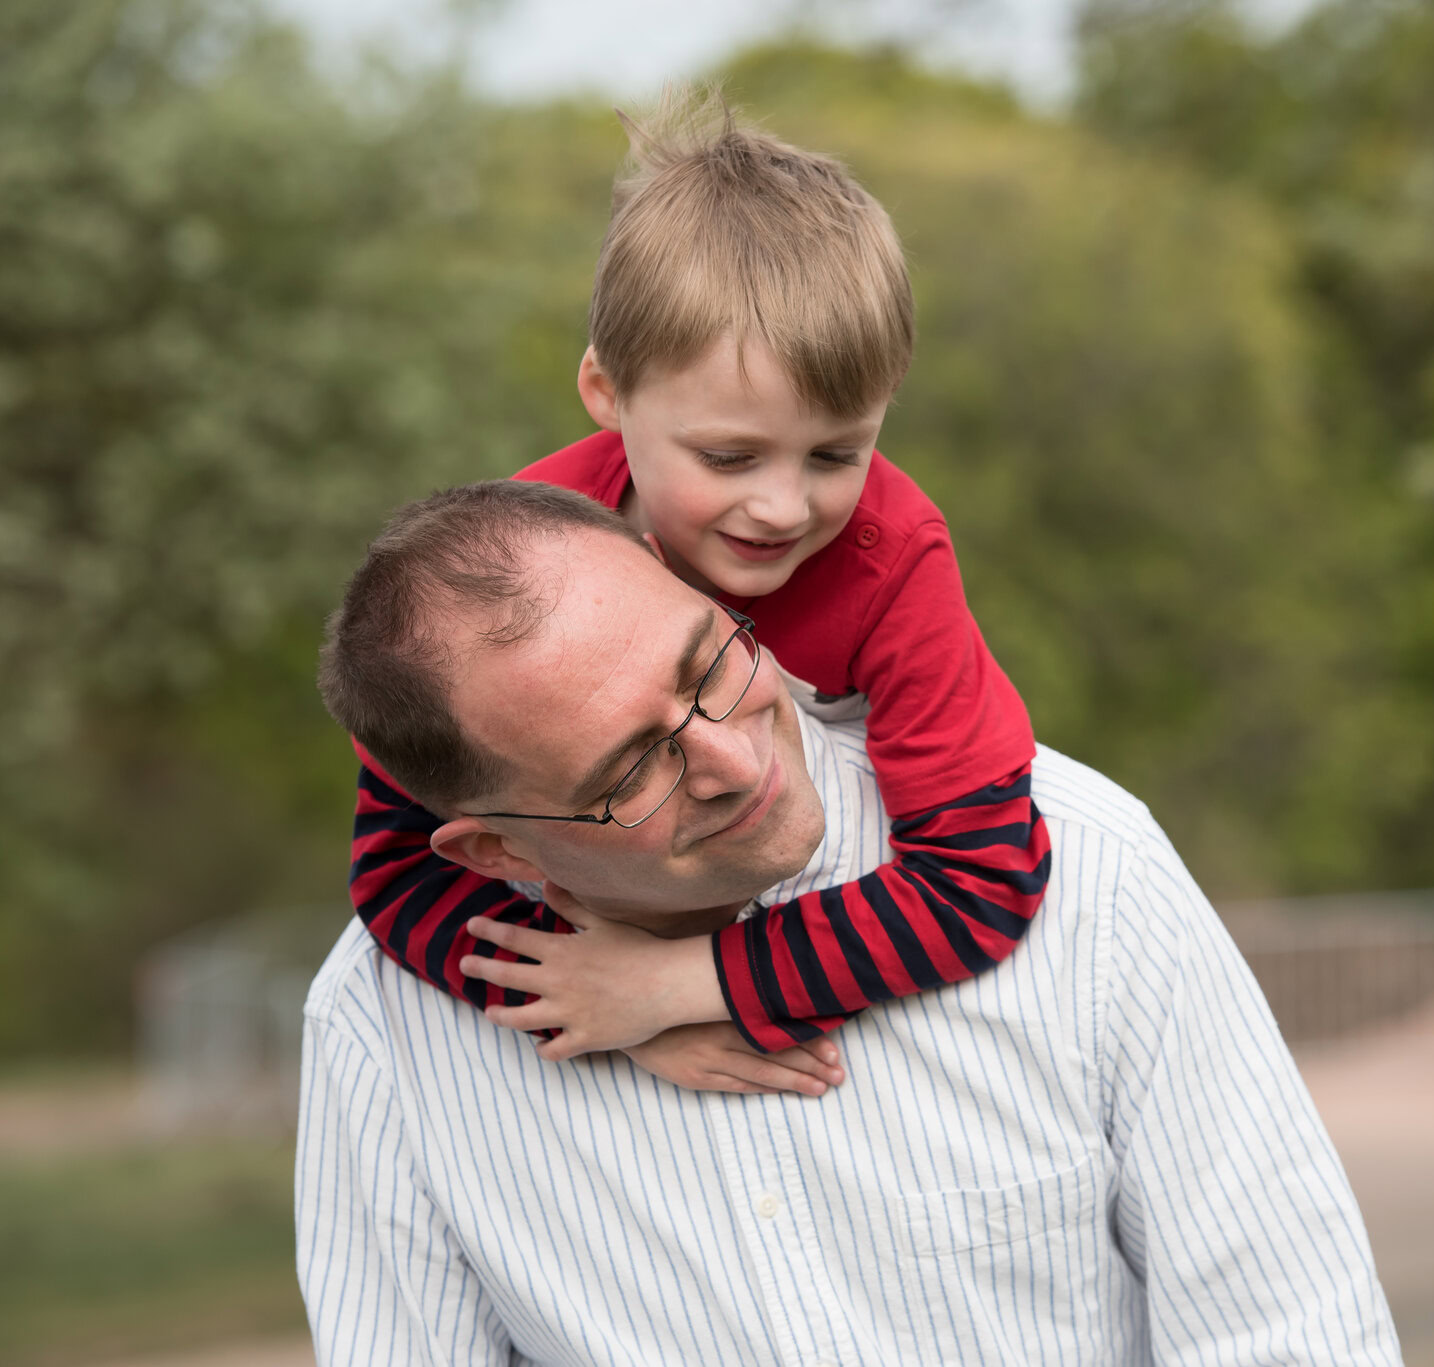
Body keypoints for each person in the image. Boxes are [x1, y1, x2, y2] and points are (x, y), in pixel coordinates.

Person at [301, 481, 1404, 1366]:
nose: (733, 759)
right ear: (498, 852)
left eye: (710, 664)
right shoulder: (382, 1027)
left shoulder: (1084, 865)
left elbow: (1288, 1333)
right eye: (633, 768)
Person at [344, 94, 1050, 1090]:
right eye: (728, 454)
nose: (783, 506)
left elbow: (980, 876)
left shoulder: (892, 555)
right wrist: (604, 1006)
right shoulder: (511, 579)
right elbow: (398, 869)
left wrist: (688, 981)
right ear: (606, 392)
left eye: (836, 452)